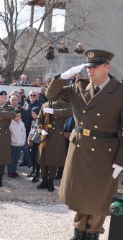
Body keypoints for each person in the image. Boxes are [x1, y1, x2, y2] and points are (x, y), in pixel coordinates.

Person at [46, 49, 123, 240]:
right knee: (81, 193)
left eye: (95, 67)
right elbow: (51, 94)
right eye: (89, 67)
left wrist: (121, 159)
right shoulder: (78, 87)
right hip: (80, 148)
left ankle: (93, 233)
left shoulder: (119, 91)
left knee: (99, 195)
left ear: (107, 67)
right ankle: (79, 231)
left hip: (105, 152)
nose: (90, 70)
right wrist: (64, 76)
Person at [36, 101, 72, 192]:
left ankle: (50, 181)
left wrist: (54, 111)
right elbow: (39, 120)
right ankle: (44, 180)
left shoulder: (64, 104)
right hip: (45, 133)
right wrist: (40, 130)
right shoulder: (44, 105)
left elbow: (70, 111)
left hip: (57, 135)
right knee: (43, 158)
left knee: (53, 159)